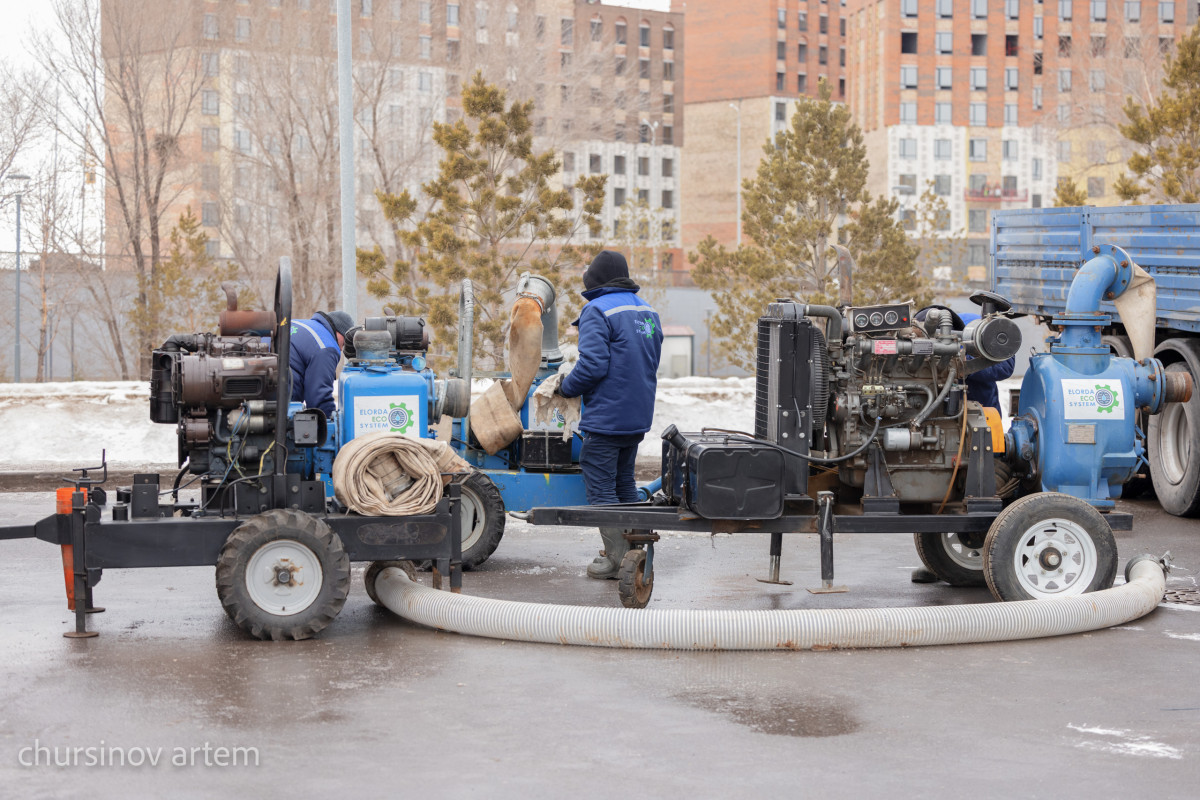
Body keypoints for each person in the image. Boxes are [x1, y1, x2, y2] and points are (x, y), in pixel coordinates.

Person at [558, 250, 663, 579]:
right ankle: (637, 551)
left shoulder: (597, 309)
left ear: (594, 280)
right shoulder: (647, 311)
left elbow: (592, 365)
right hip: (637, 414)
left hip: (607, 416)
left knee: (602, 488)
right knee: (625, 482)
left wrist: (565, 387)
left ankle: (616, 560)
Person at [911, 306, 1015, 584]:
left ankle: (995, 559)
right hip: (939, 421)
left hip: (979, 423)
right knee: (939, 492)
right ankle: (939, 563)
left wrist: (957, 358)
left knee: (982, 491)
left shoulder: (977, 327)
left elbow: (1005, 366)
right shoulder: (917, 335)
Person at [289, 310, 355, 418]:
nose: (341, 349)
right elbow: (319, 396)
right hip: (280, 402)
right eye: (344, 343)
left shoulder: (299, 324)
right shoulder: (326, 345)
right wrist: (330, 423)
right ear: (340, 332)